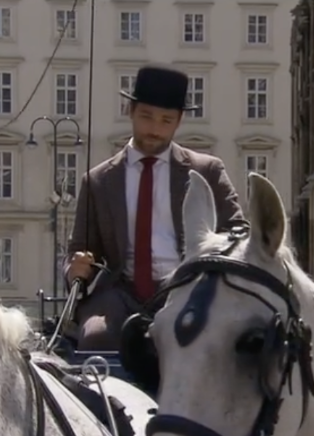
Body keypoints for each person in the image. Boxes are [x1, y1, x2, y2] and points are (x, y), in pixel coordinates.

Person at [63, 63, 248, 351]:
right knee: (96, 338)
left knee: (202, 343)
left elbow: (238, 232)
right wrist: (73, 269)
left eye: (166, 120)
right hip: (120, 292)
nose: (154, 129)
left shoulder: (207, 171)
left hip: (186, 286)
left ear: (179, 121)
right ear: (130, 111)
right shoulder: (98, 181)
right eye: (146, 117)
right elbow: (80, 249)